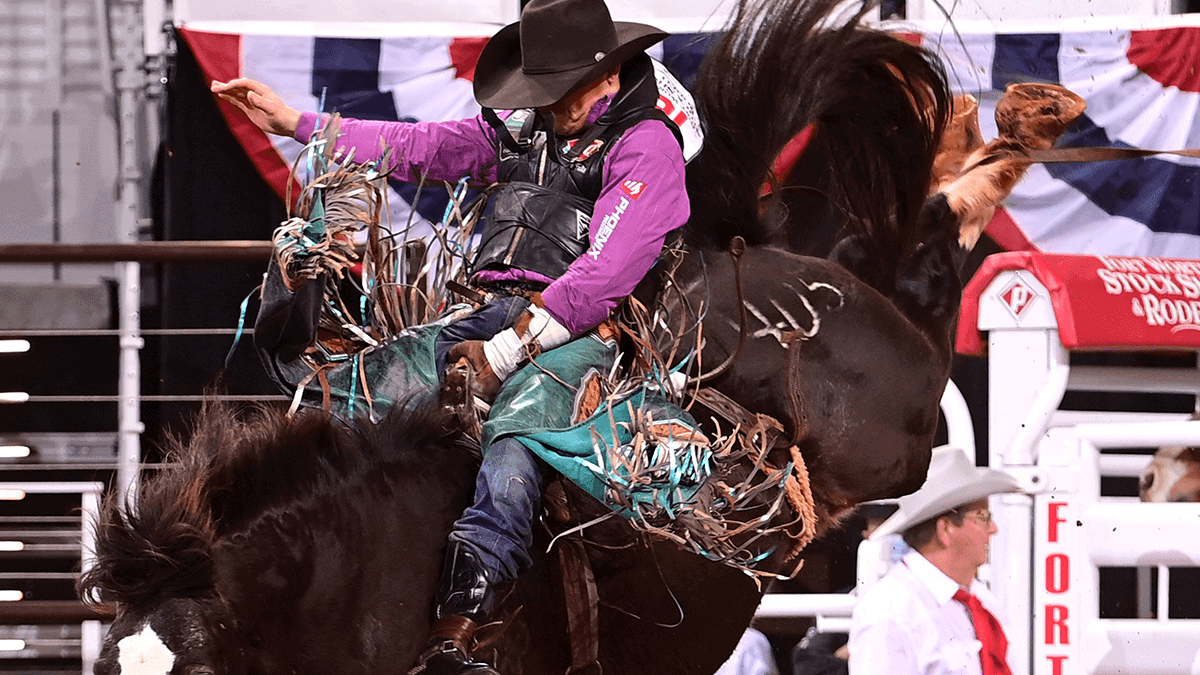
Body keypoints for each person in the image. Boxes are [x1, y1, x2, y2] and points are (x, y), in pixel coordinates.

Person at [212, 0, 689, 673]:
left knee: (518, 442)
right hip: (486, 312)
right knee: (333, 394)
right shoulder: (526, 131)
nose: (551, 107)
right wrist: (298, 125)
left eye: (562, 92)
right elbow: (424, 147)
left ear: (607, 75)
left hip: (581, 333)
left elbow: (605, 273)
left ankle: (459, 632)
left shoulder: (647, 147)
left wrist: (504, 351)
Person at [847, 446, 1021, 675]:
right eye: (983, 517)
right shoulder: (890, 610)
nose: (993, 529)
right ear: (946, 529)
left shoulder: (980, 600)